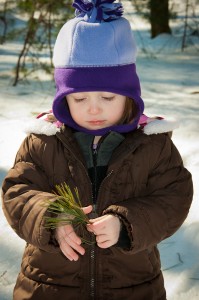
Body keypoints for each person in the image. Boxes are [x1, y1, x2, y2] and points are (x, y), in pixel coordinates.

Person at [1, 0, 193, 299]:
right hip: (49, 286)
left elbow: (173, 197)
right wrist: (52, 217)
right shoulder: (44, 140)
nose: (93, 109)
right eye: (79, 99)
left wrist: (127, 223)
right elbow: (18, 191)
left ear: (130, 97)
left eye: (107, 97)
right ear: (62, 100)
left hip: (132, 286)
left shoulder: (152, 143)